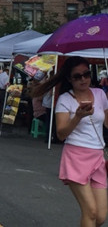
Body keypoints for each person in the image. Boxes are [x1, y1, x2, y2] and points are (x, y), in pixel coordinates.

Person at [32, 56, 108, 226]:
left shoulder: (100, 94)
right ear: (69, 79)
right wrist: (78, 117)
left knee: (101, 217)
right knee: (91, 212)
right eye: (77, 76)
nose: (83, 79)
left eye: (86, 74)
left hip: (98, 156)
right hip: (76, 157)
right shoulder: (65, 100)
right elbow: (61, 134)